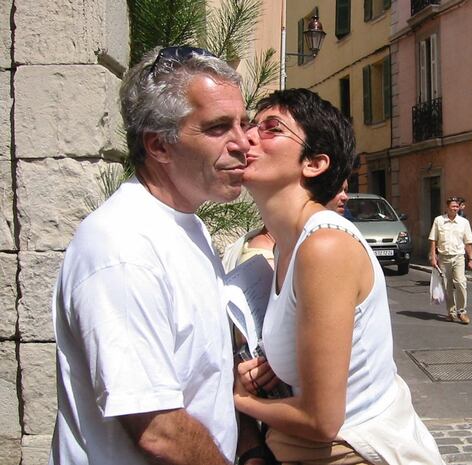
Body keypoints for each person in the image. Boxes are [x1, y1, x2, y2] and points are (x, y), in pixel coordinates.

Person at [49, 46, 265, 465]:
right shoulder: (122, 247)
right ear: (159, 146)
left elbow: (205, 382)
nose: (244, 143)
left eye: (244, 122)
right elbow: (158, 430)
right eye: (218, 127)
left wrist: (249, 448)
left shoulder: (188, 225)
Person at [234, 88, 445, 465]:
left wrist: (237, 398)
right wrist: (273, 369)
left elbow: (321, 421)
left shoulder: (324, 246)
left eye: (271, 128)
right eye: (252, 124)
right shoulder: (287, 245)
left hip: (353, 451)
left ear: (314, 163)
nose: (247, 135)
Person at [428, 196, 472, 324]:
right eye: (453, 206)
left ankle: (462, 311)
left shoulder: (464, 222)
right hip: (444, 258)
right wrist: (433, 257)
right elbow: (433, 240)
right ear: (447, 207)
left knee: (461, 283)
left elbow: (468, 242)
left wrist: (471, 259)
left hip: (459, 257)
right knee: (447, 286)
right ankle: (451, 312)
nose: (455, 208)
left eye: (457, 206)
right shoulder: (439, 220)